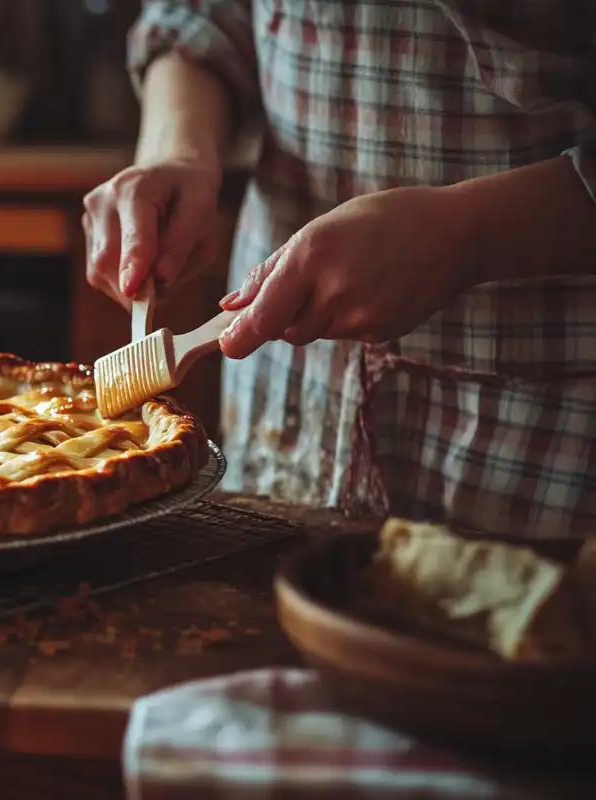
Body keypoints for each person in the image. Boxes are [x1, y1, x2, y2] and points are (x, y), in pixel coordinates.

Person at [83, 1, 596, 536]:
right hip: (285, 405)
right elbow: (203, 15)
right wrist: (177, 151)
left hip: (540, 441)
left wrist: (471, 235)